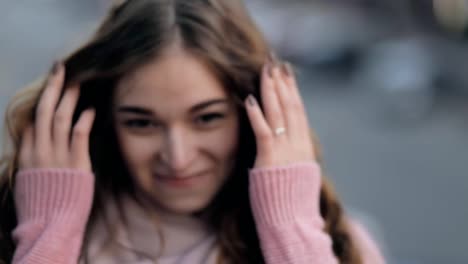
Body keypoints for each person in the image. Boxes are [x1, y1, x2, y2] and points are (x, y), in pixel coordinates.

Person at [0, 0, 385, 263]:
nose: (178, 157)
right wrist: (47, 237)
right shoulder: (22, 228)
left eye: (207, 118)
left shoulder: (340, 242)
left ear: (257, 113)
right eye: (141, 123)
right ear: (104, 121)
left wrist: (291, 230)